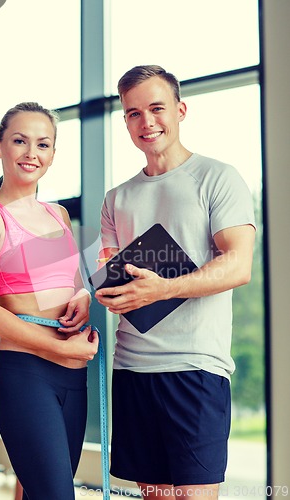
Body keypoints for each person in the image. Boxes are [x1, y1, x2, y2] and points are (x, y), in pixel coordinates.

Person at [95, 65, 256, 500]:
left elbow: (239, 265)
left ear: (180, 110)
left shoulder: (218, 178)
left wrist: (162, 288)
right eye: (133, 113)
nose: (146, 122)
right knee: (156, 497)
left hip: (195, 368)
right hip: (132, 369)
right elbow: (110, 274)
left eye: (156, 108)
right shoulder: (117, 198)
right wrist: (103, 292)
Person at [0, 102, 99, 500]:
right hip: (26, 375)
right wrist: (59, 345)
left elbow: (71, 285)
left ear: (53, 154)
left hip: (74, 377)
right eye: (19, 141)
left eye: (43, 144)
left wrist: (84, 297)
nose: (31, 153)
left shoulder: (58, 214)